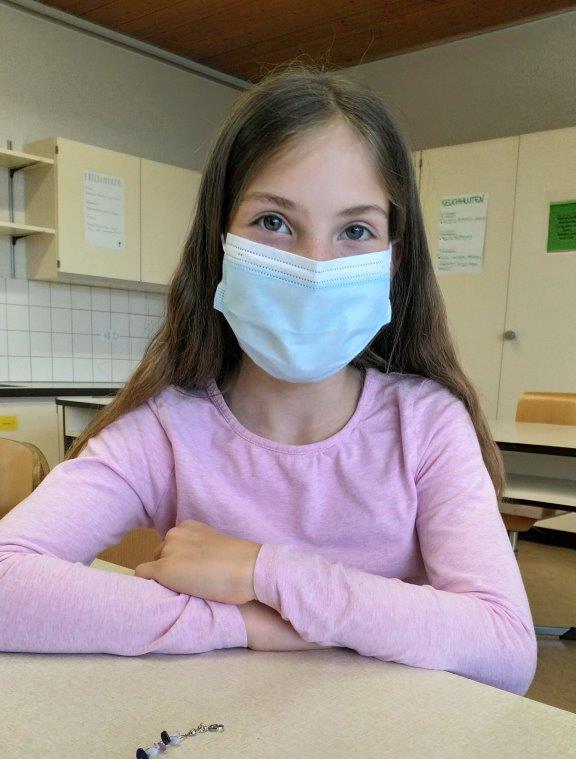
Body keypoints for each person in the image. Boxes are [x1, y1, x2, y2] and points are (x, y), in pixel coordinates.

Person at [0, 63, 537, 693]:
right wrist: (243, 623)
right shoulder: (166, 429)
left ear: (394, 261)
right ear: (219, 240)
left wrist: (265, 572)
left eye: (356, 230)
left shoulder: (426, 423)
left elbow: (505, 649)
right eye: (274, 222)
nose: (314, 266)